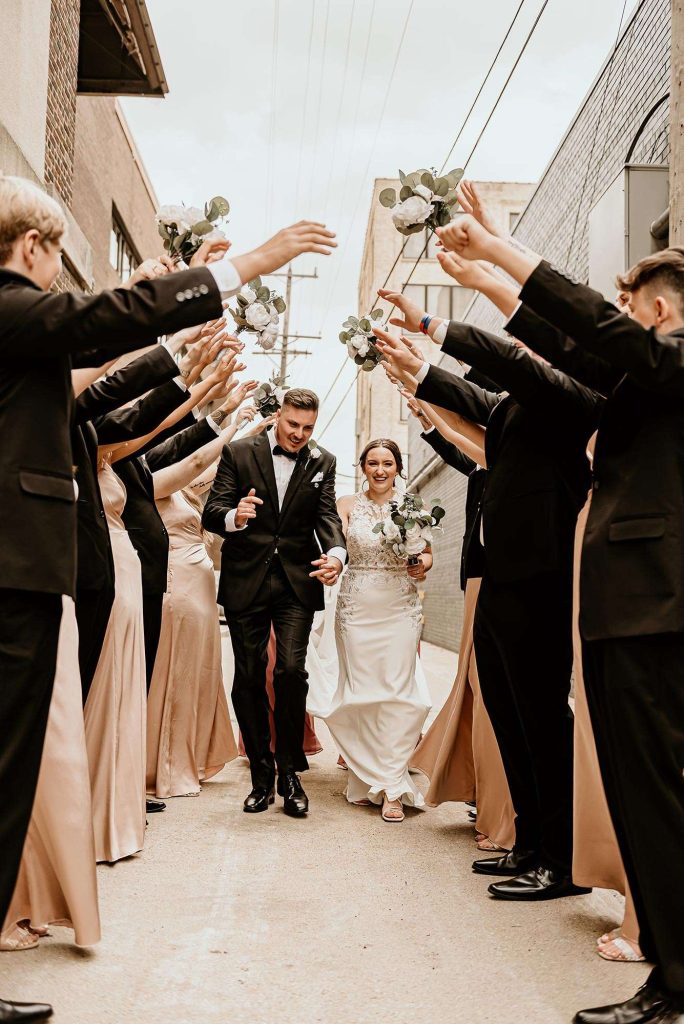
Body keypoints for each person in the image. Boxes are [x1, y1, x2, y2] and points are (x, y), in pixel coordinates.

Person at [0, 171, 336, 1020]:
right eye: (54, 259)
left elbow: (104, 378)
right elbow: (102, 332)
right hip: (14, 573)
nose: (57, 279)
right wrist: (250, 263)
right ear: (33, 246)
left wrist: (188, 363)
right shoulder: (11, 310)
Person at [438, 213, 684, 1023]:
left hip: (659, 609)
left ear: (659, 308)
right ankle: (669, 973)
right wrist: (486, 282)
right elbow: (568, 348)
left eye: (632, 305)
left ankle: (674, 981)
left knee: (657, 797)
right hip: (624, 607)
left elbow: (593, 332)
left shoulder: (674, 359)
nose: (622, 314)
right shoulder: (644, 375)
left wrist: (499, 251)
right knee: (638, 795)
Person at [374, 290, 600, 901]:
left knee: (541, 716)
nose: (520, 347)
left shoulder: (568, 396)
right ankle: (529, 840)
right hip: (501, 574)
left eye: (529, 341)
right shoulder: (514, 408)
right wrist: (415, 371)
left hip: (544, 576)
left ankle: (561, 860)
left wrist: (431, 330)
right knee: (506, 710)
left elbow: (512, 368)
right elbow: (476, 403)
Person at [202, 389, 346, 818]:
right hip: (246, 579)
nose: (299, 434)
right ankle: (261, 775)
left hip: (296, 583)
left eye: (307, 428)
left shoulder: (323, 461)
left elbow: (327, 516)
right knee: (249, 676)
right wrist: (235, 516)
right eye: (292, 424)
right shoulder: (238, 452)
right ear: (278, 416)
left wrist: (336, 555)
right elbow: (213, 510)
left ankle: (289, 773)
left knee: (290, 671)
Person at [407, 398, 515, 852]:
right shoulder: (483, 463)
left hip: (499, 576)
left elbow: (462, 439)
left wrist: (428, 396)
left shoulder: (511, 455)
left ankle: (505, 807)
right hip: (477, 576)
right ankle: (481, 790)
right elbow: (459, 448)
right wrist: (428, 416)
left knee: (489, 689)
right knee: (473, 685)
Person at [318, 439, 432, 821]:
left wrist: (421, 564)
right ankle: (368, 776)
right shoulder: (346, 505)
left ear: (398, 467)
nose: (380, 470)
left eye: (387, 463)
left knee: (398, 693)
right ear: (363, 467)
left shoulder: (413, 506)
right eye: (372, 463)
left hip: (400, 607)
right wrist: (333, 564)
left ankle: (393, 786)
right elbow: (337, 545)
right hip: (357, 608)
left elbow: (426, 553)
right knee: (362, 694)